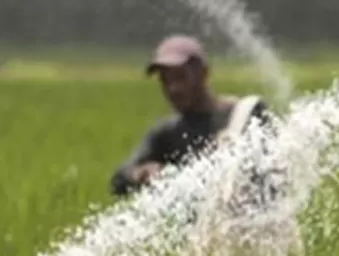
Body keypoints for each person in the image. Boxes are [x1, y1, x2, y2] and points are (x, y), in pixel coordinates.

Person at [109, 35, 276, 197]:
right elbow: (119, 180)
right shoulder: (169, 133)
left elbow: (275, 176)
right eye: (165, 81)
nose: (173, 88)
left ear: (203, 74)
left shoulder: (246, 115)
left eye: (181, 77)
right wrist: (141, 174)